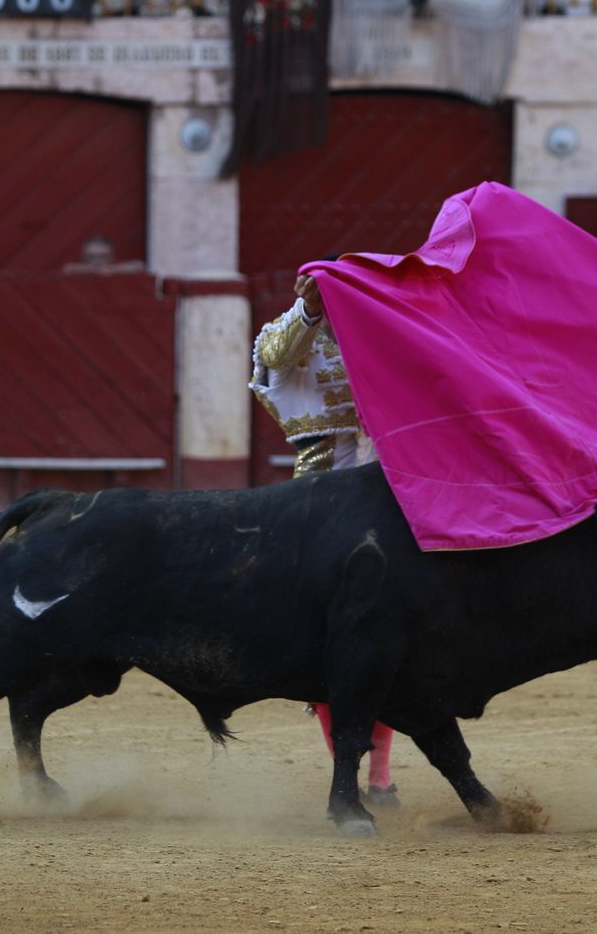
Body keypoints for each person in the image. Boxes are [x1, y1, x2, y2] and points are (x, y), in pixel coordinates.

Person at [250, 273, 399, 810]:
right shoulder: (297, 329)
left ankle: (379, 775)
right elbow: (273, 354)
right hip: (317, 491)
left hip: (387, 487)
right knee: (322, 639)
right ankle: (353, 770)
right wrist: (308, 311)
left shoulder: (389, 331)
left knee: (388, 632)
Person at [63, 236, 144, 274]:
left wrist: (109, 270)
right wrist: (100, 270)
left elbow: (138, 266)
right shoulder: (77, 270)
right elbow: (68, 268)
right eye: (92, 257)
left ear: (112, 257)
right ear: (84, 257)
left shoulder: (116, 270)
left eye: (103, 257)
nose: (97, 260)